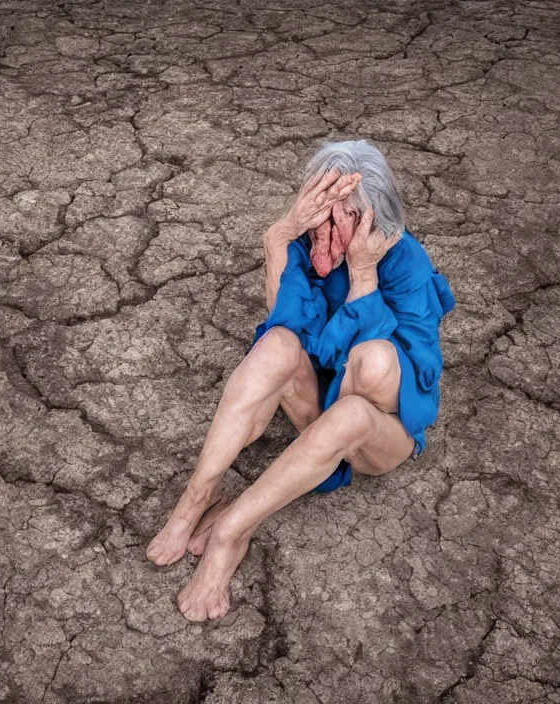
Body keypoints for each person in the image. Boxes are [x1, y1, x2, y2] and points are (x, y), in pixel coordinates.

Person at [145, 140, 456, 622]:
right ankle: (197, 498)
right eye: (322, 205)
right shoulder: (306, 241)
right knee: (275, 345)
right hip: (318, 411)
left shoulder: (403, 259)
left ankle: (231, 532)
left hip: (377, 431)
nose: (328, 227)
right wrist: (279, 235)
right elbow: (285, 325)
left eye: (347, 213)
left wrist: (364, 276)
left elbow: (407, 388)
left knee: (369, 371)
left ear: (376, 216)